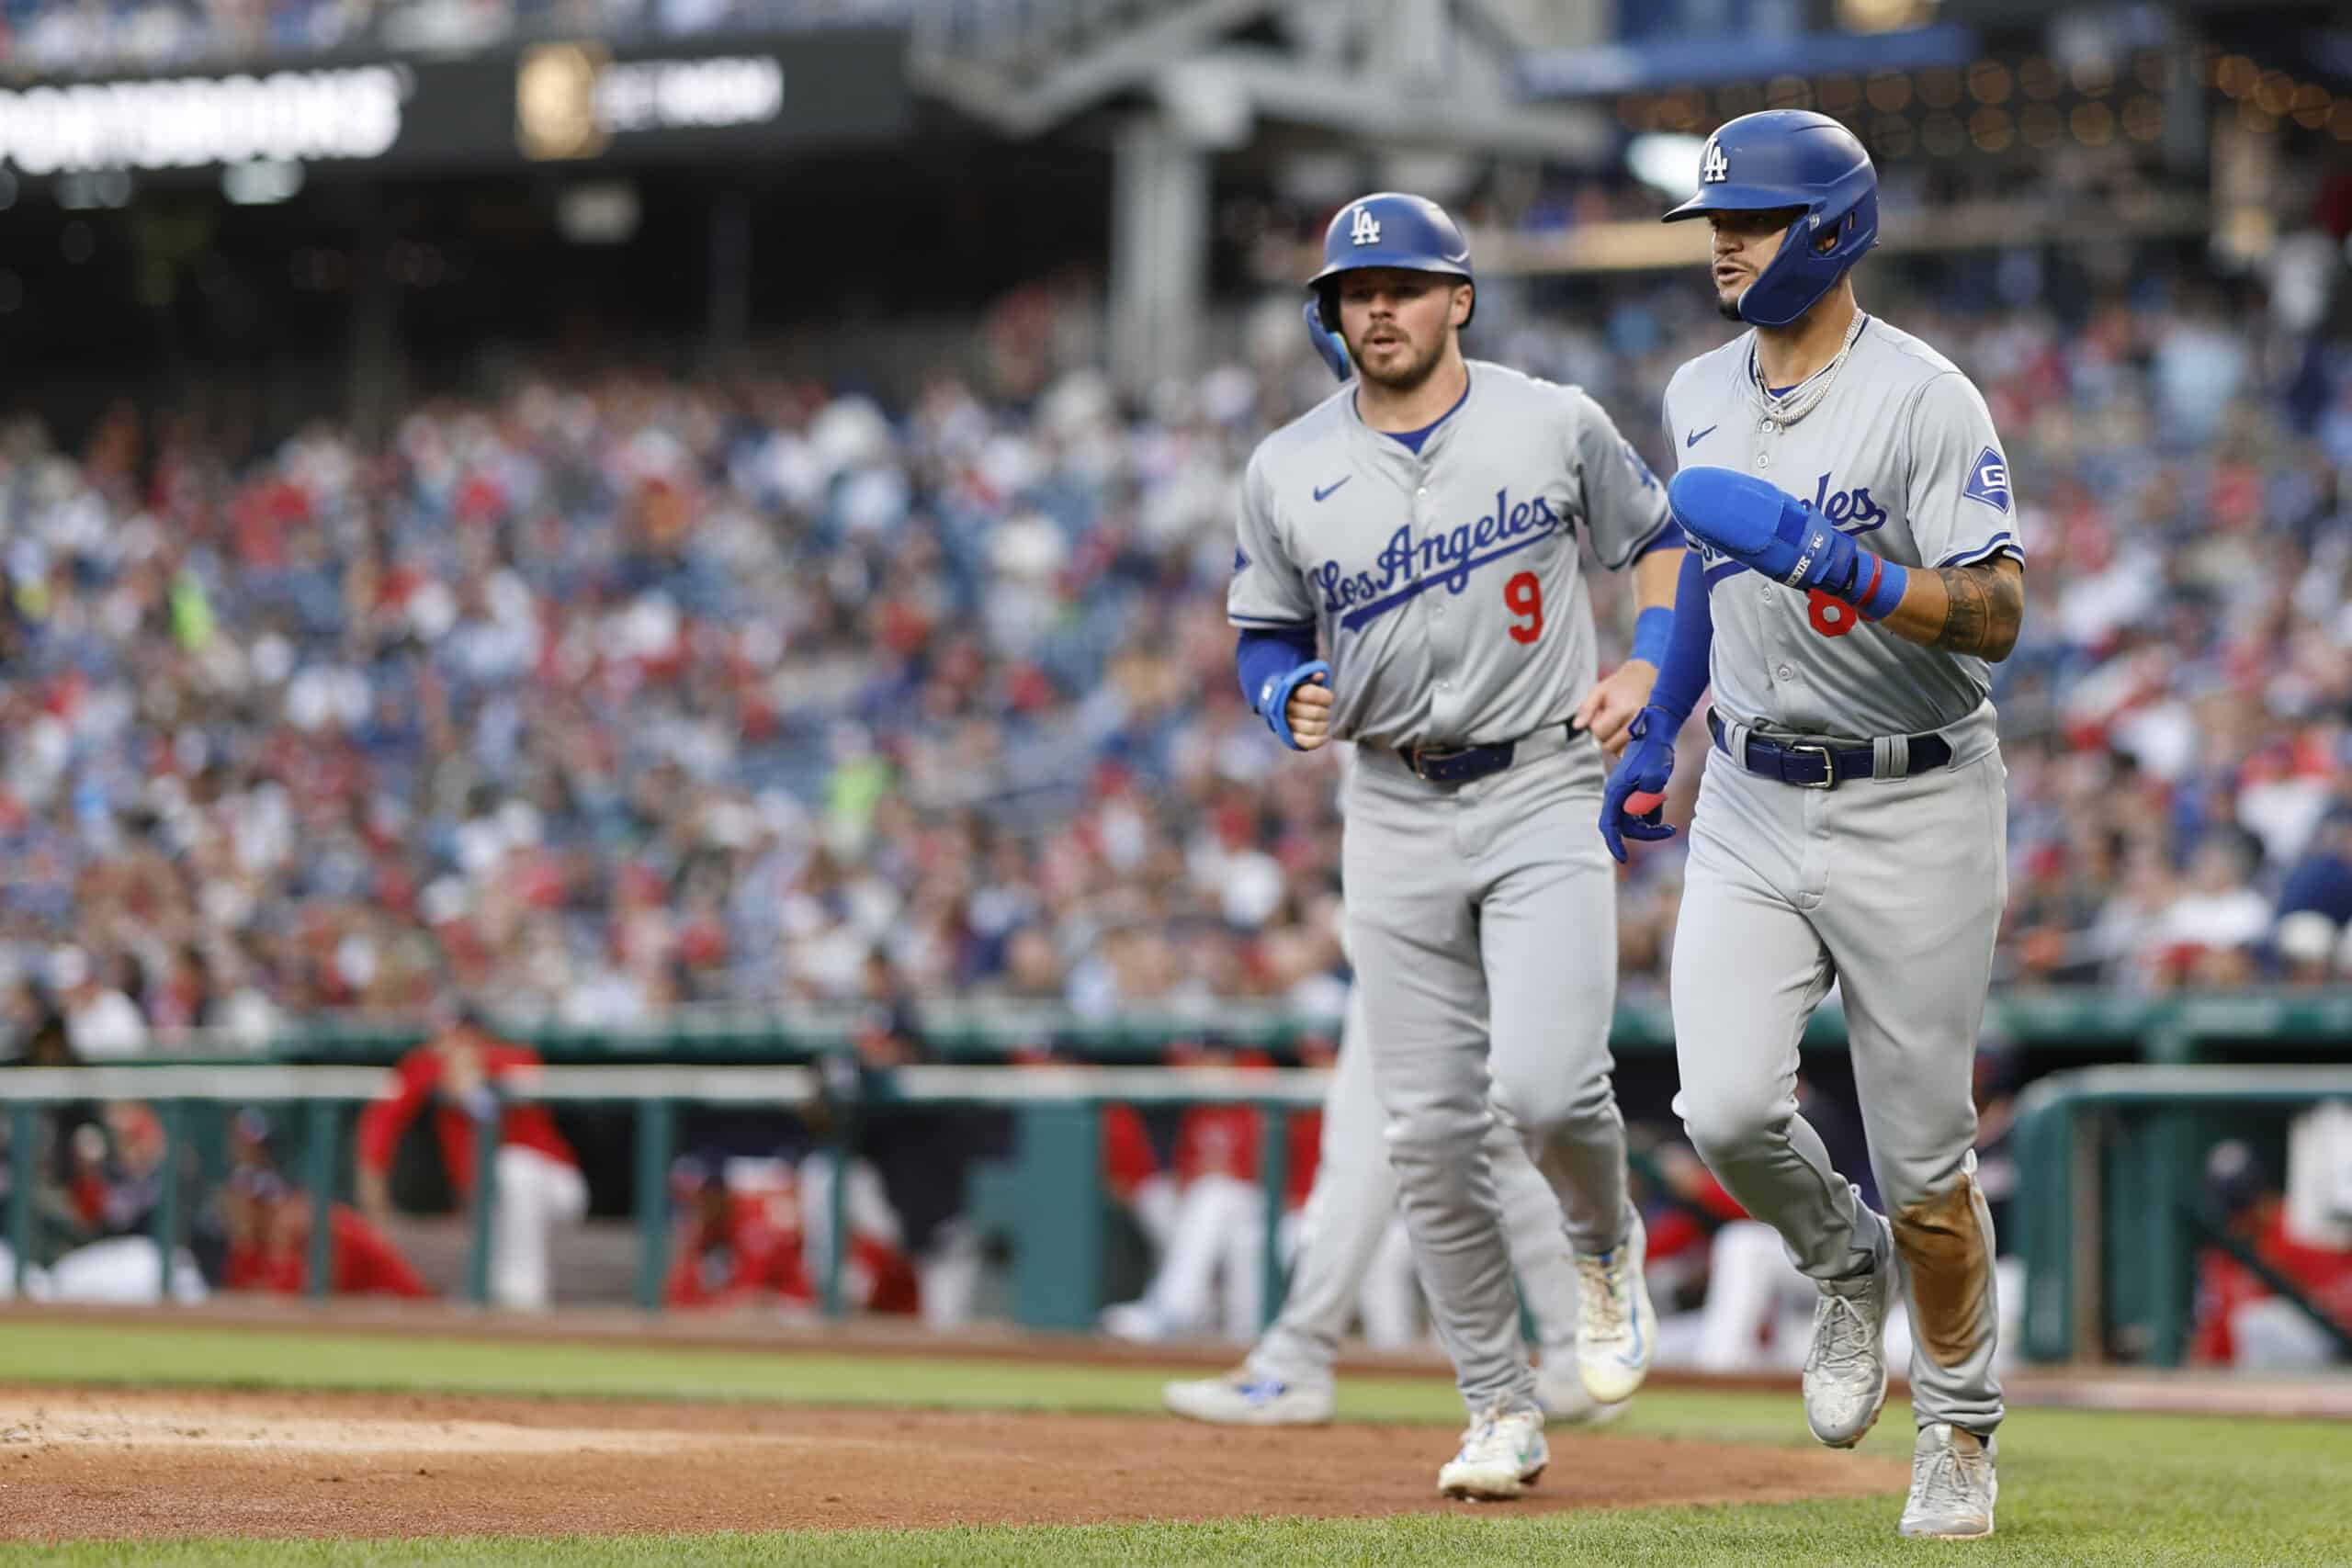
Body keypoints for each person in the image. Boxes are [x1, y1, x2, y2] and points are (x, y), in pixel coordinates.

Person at [1603, 110, 2023, 1540]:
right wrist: (1662, 716)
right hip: (1754, 791)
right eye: (1717, 218)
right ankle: (1841, 1267)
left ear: (1833, 227)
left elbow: (1999, 609)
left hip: (1918, 791)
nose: (1724, 241)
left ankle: (1960, 1424)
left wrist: (1854, 570)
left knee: (1927, 1162)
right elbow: (1706, 582)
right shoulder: (1696, 390)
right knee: (1721, 1103)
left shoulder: (1925, 396)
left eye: (1755, 218)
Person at [1230, 191, 1682, 1499]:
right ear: (1332, 314)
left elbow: (1657, 545)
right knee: (1426, 1135)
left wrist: (1651, 664)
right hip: (1390, 801)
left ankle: (1602, 1249)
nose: (1379, 309)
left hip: (1540, 780)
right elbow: (1264, 627)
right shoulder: (1286, 464)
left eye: (1404, 286)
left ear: (1457, 298)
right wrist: (1280, 692)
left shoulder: (1552, 418)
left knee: (1546, 1087)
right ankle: (1497, 1400)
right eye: (1355, 294)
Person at [1160, 990, 1626, 1426]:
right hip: (1500, 951)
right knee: (1511, 1142)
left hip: (1415, 941)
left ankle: (1294, 1363)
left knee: (1362, 1145)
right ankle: (1577, 1365)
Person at [355, 1002, 585, 1309]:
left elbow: (527, 1078)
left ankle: (526, 1298)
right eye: (447, 1035)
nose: (451, 1044)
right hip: (488, 1197)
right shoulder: (428, 1065)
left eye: (462, 1035)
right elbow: (380, 1124)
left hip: (557, 1190)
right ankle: (489, 1290)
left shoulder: (513, 1057)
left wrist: (477, 1077)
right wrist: (374, 1193)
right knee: (494, 1188)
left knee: (514, 1170)